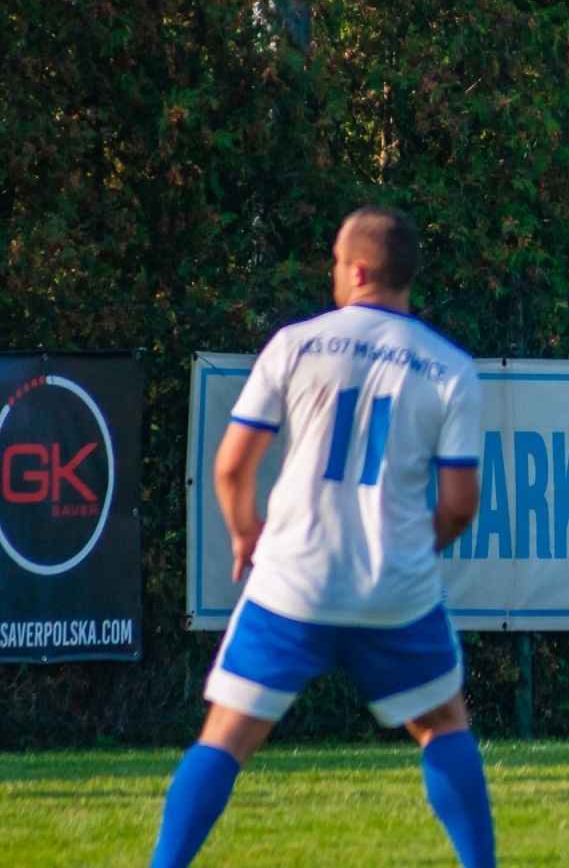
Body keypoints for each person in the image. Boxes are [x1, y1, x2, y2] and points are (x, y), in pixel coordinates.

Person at [150, 208, 496, 866]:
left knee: (224, 737)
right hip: (393, 587)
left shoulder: (296, 344)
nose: (333, 272)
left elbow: (230, 467)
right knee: (444, 724)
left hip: (293, 579)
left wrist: (246, 531)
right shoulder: (448, 367)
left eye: (337, 262)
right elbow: (458, 505)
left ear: (358, 271)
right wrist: (414, 551)